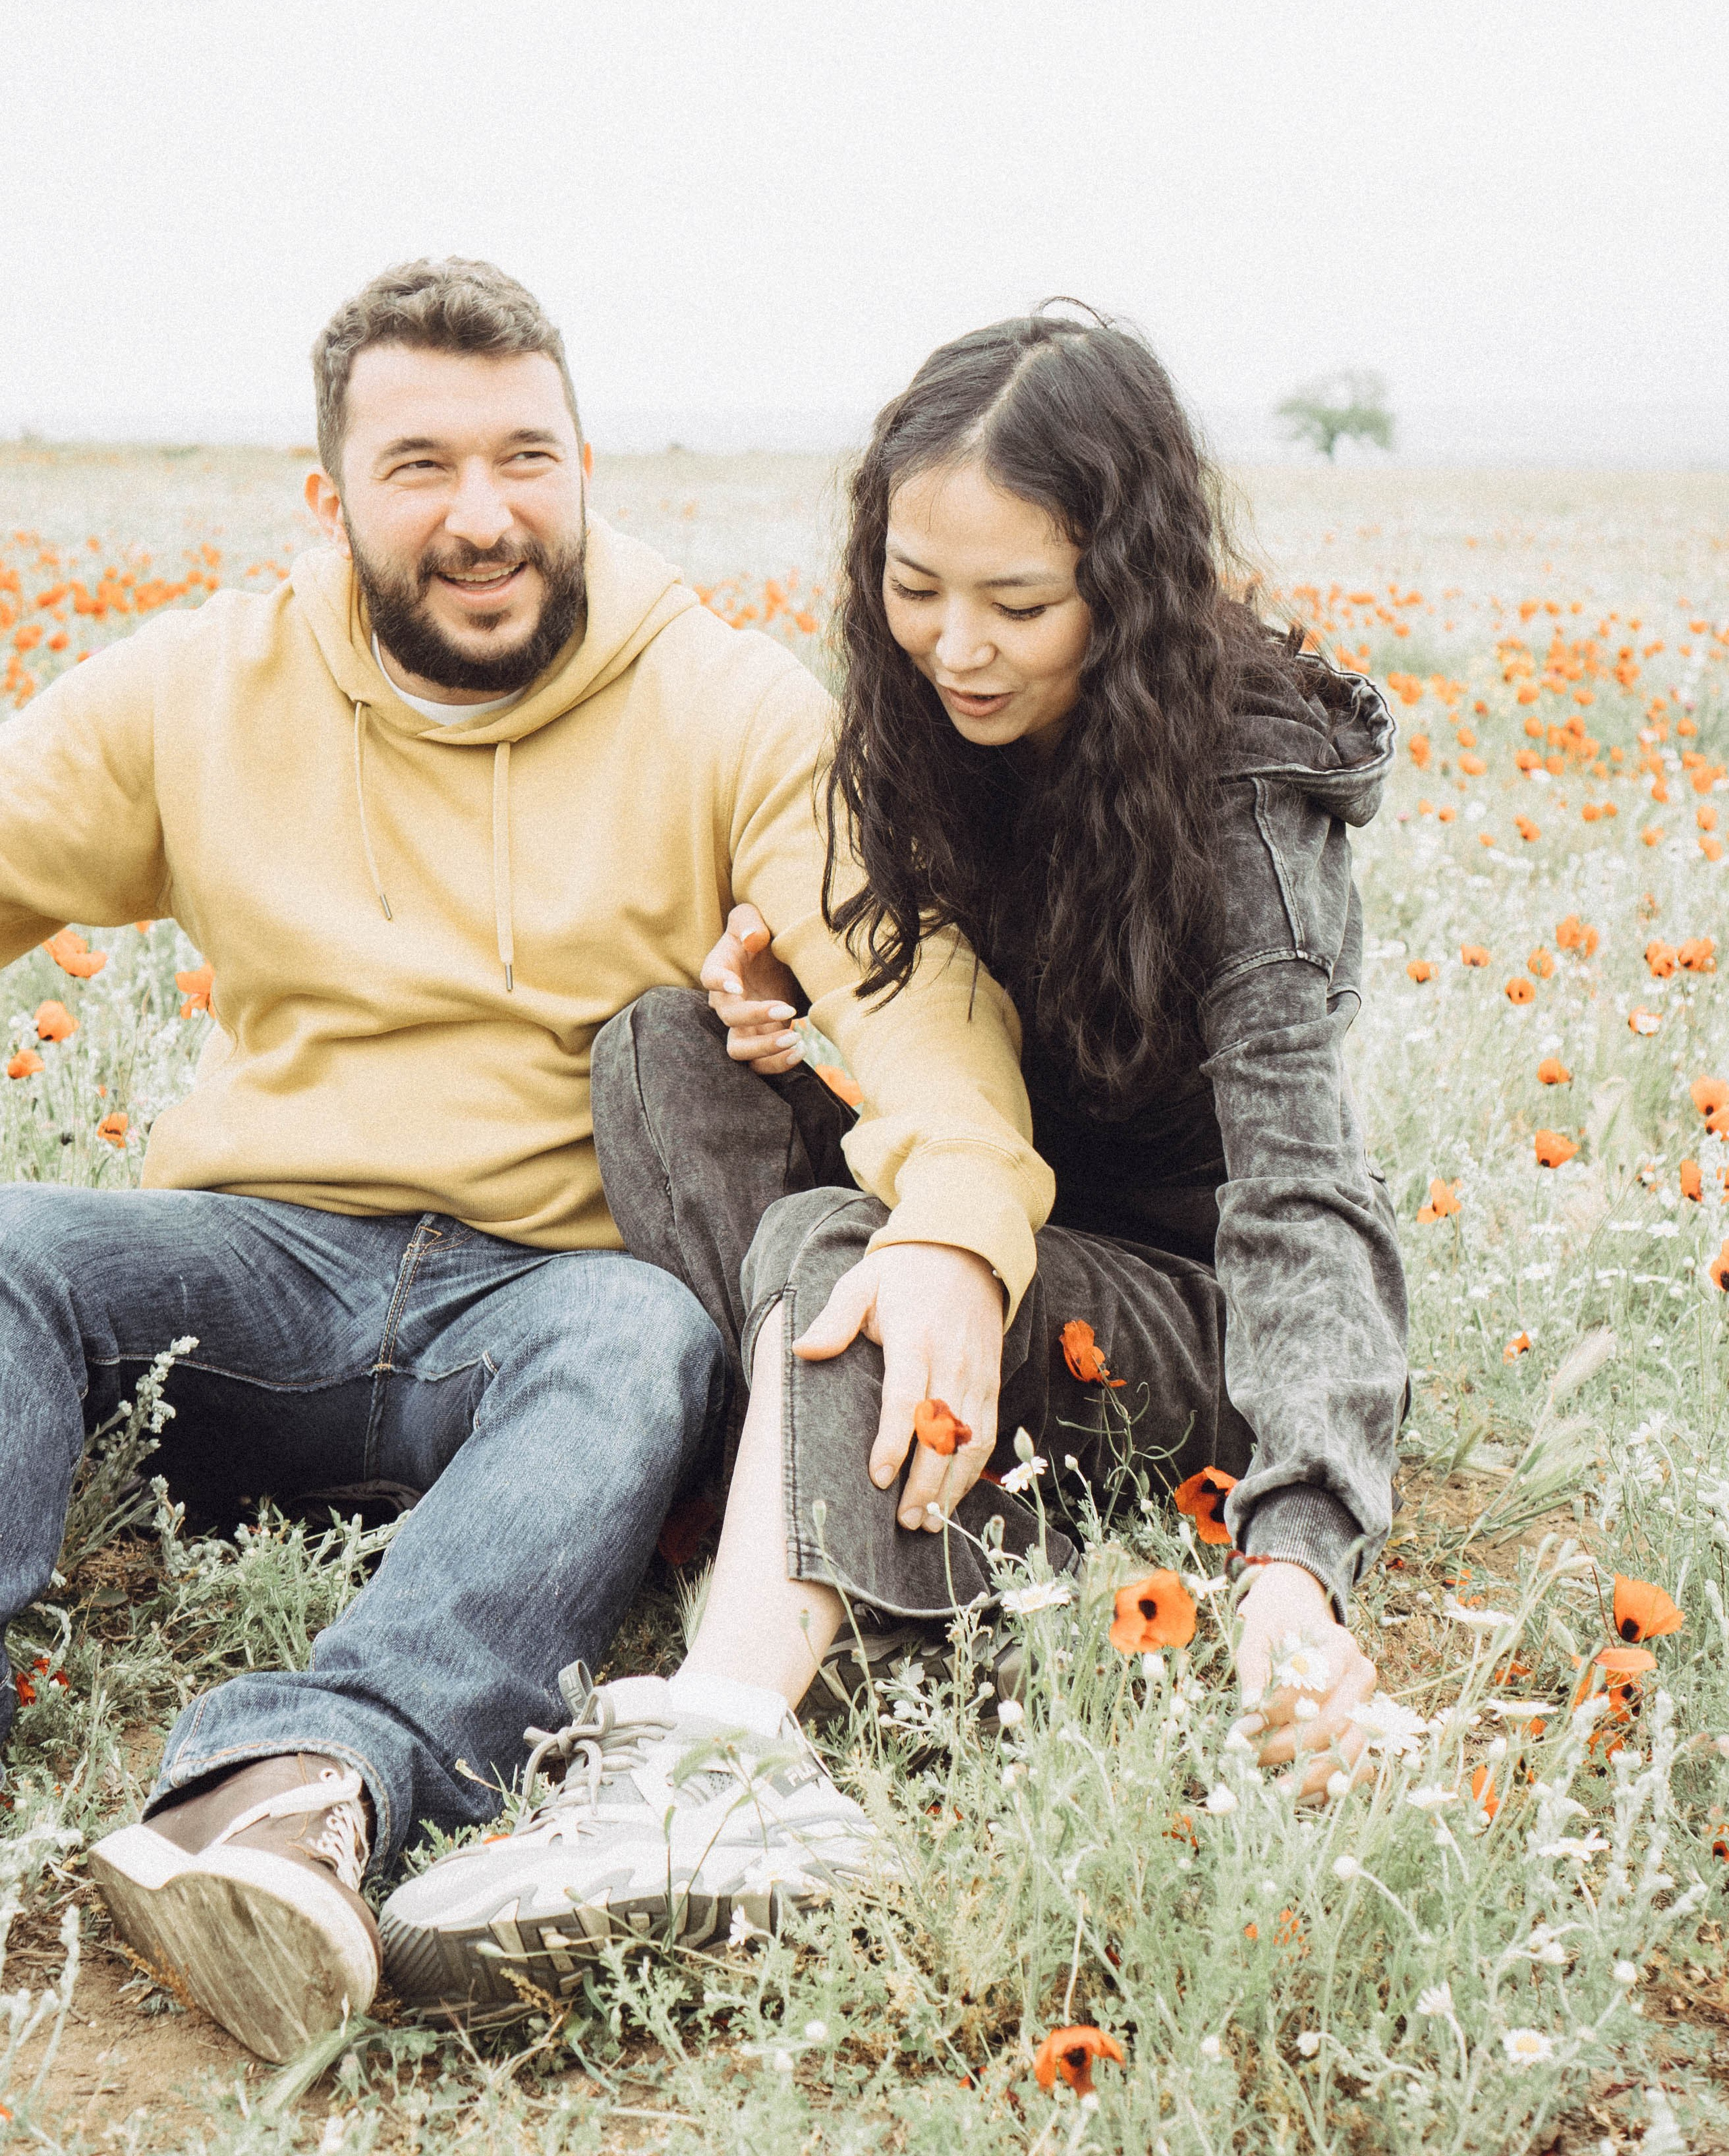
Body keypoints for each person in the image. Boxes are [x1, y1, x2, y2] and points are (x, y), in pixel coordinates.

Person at [0, 261, 1052, 2062]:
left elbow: (910, 989)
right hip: (254, 1271)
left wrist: (955, 1222)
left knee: (647, 1334)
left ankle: (297, 1789)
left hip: (548, 1312)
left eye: (524, 458)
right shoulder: (198, 687)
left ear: (583, 468)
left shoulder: (725, 704)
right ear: (331, 497)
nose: (482, 516)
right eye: (420, 467)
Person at [382, 309, 1408, 2018]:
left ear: (1129, 586)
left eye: (1019, 604)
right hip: (999, 1245)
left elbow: (1304, 1192)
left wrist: (1294, 1564)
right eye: (915, 589)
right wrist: (797, 1002)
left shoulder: (1241, 788)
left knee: (842, 1242)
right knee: (661, 1050)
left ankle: (721, 1758)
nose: (956, 646)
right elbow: (947, 1043)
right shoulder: (924, 722)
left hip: (1181, 1316)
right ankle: (826, 1506)